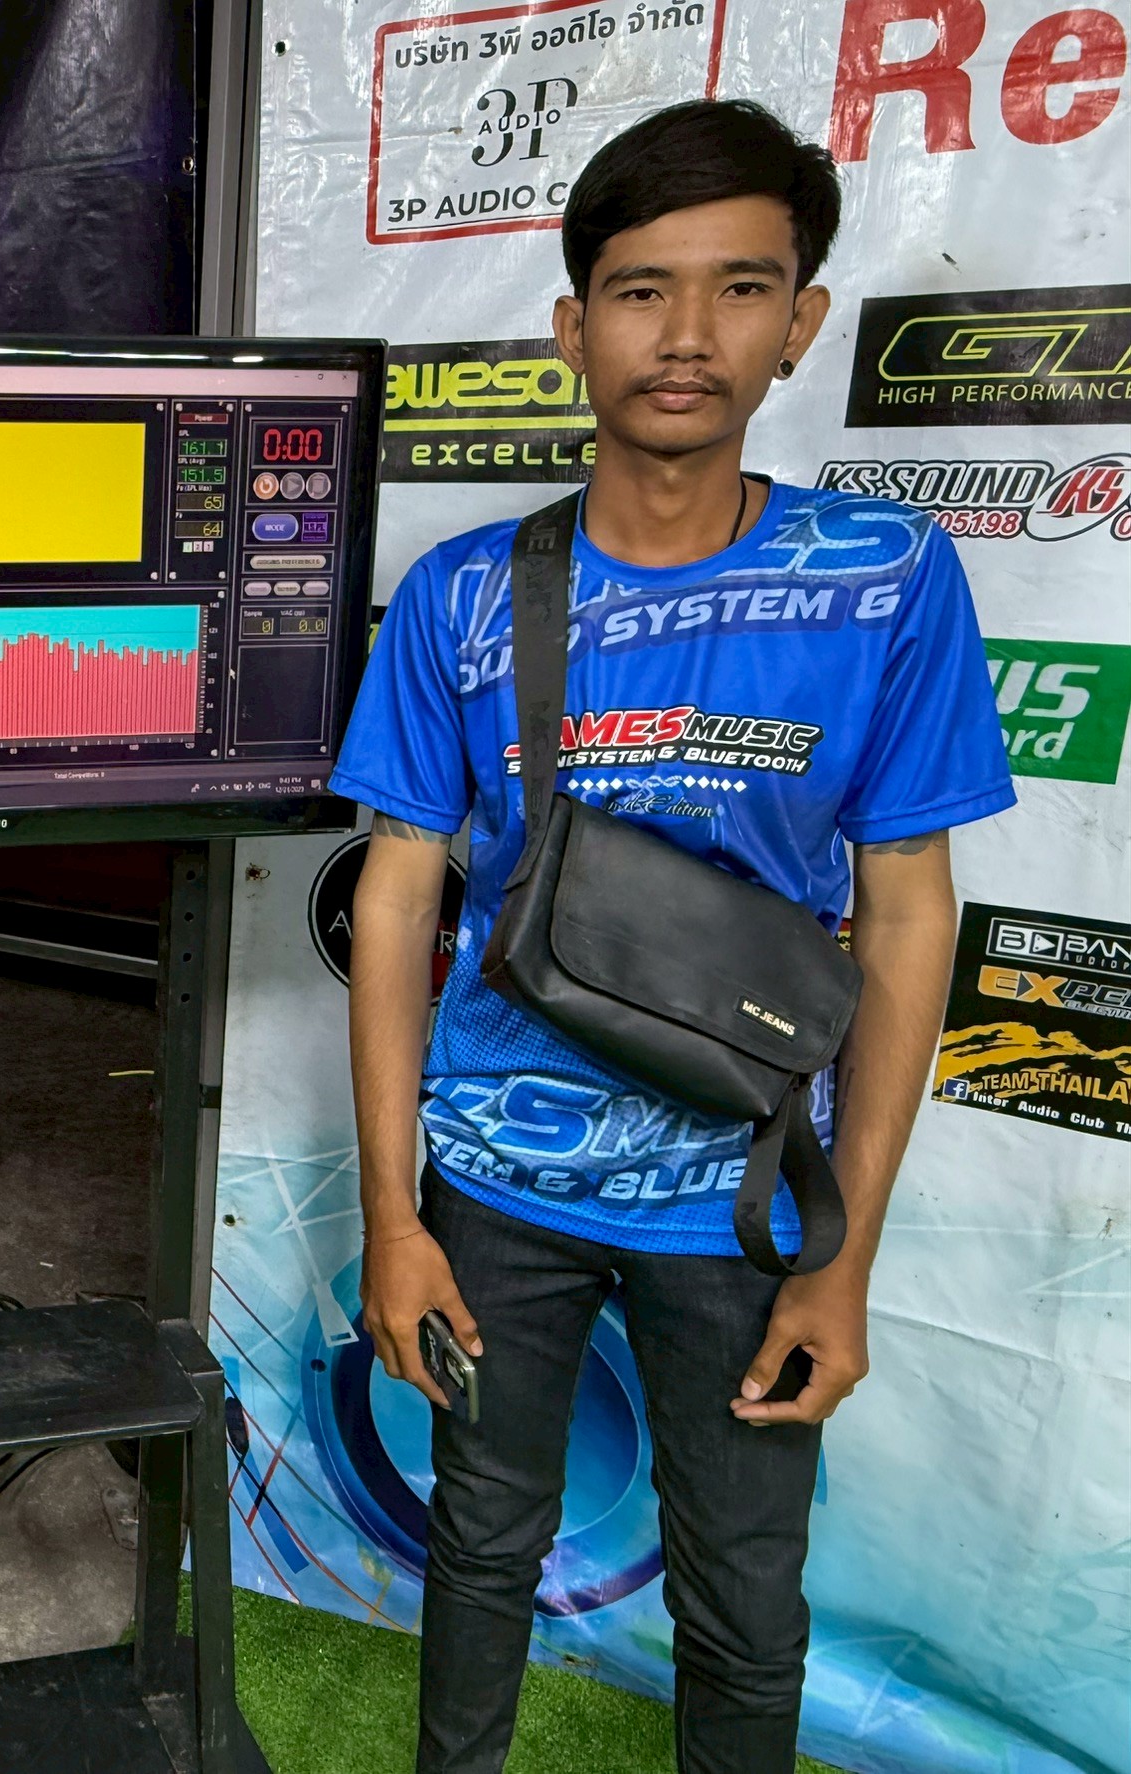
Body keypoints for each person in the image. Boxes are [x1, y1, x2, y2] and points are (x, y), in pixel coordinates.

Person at [333, 100, 1013, 1774]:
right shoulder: (465, 593)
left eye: (739, 287)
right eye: (642, 290)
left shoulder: (886, 577)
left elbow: (907, 908)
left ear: (804, 320)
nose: (688, 334)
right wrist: (394, 1219)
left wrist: (843, 1257)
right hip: (495, 1185)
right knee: (480, 1547)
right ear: (575, 329)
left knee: (746, 1597)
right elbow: (401, 893)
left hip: (750, 1198)